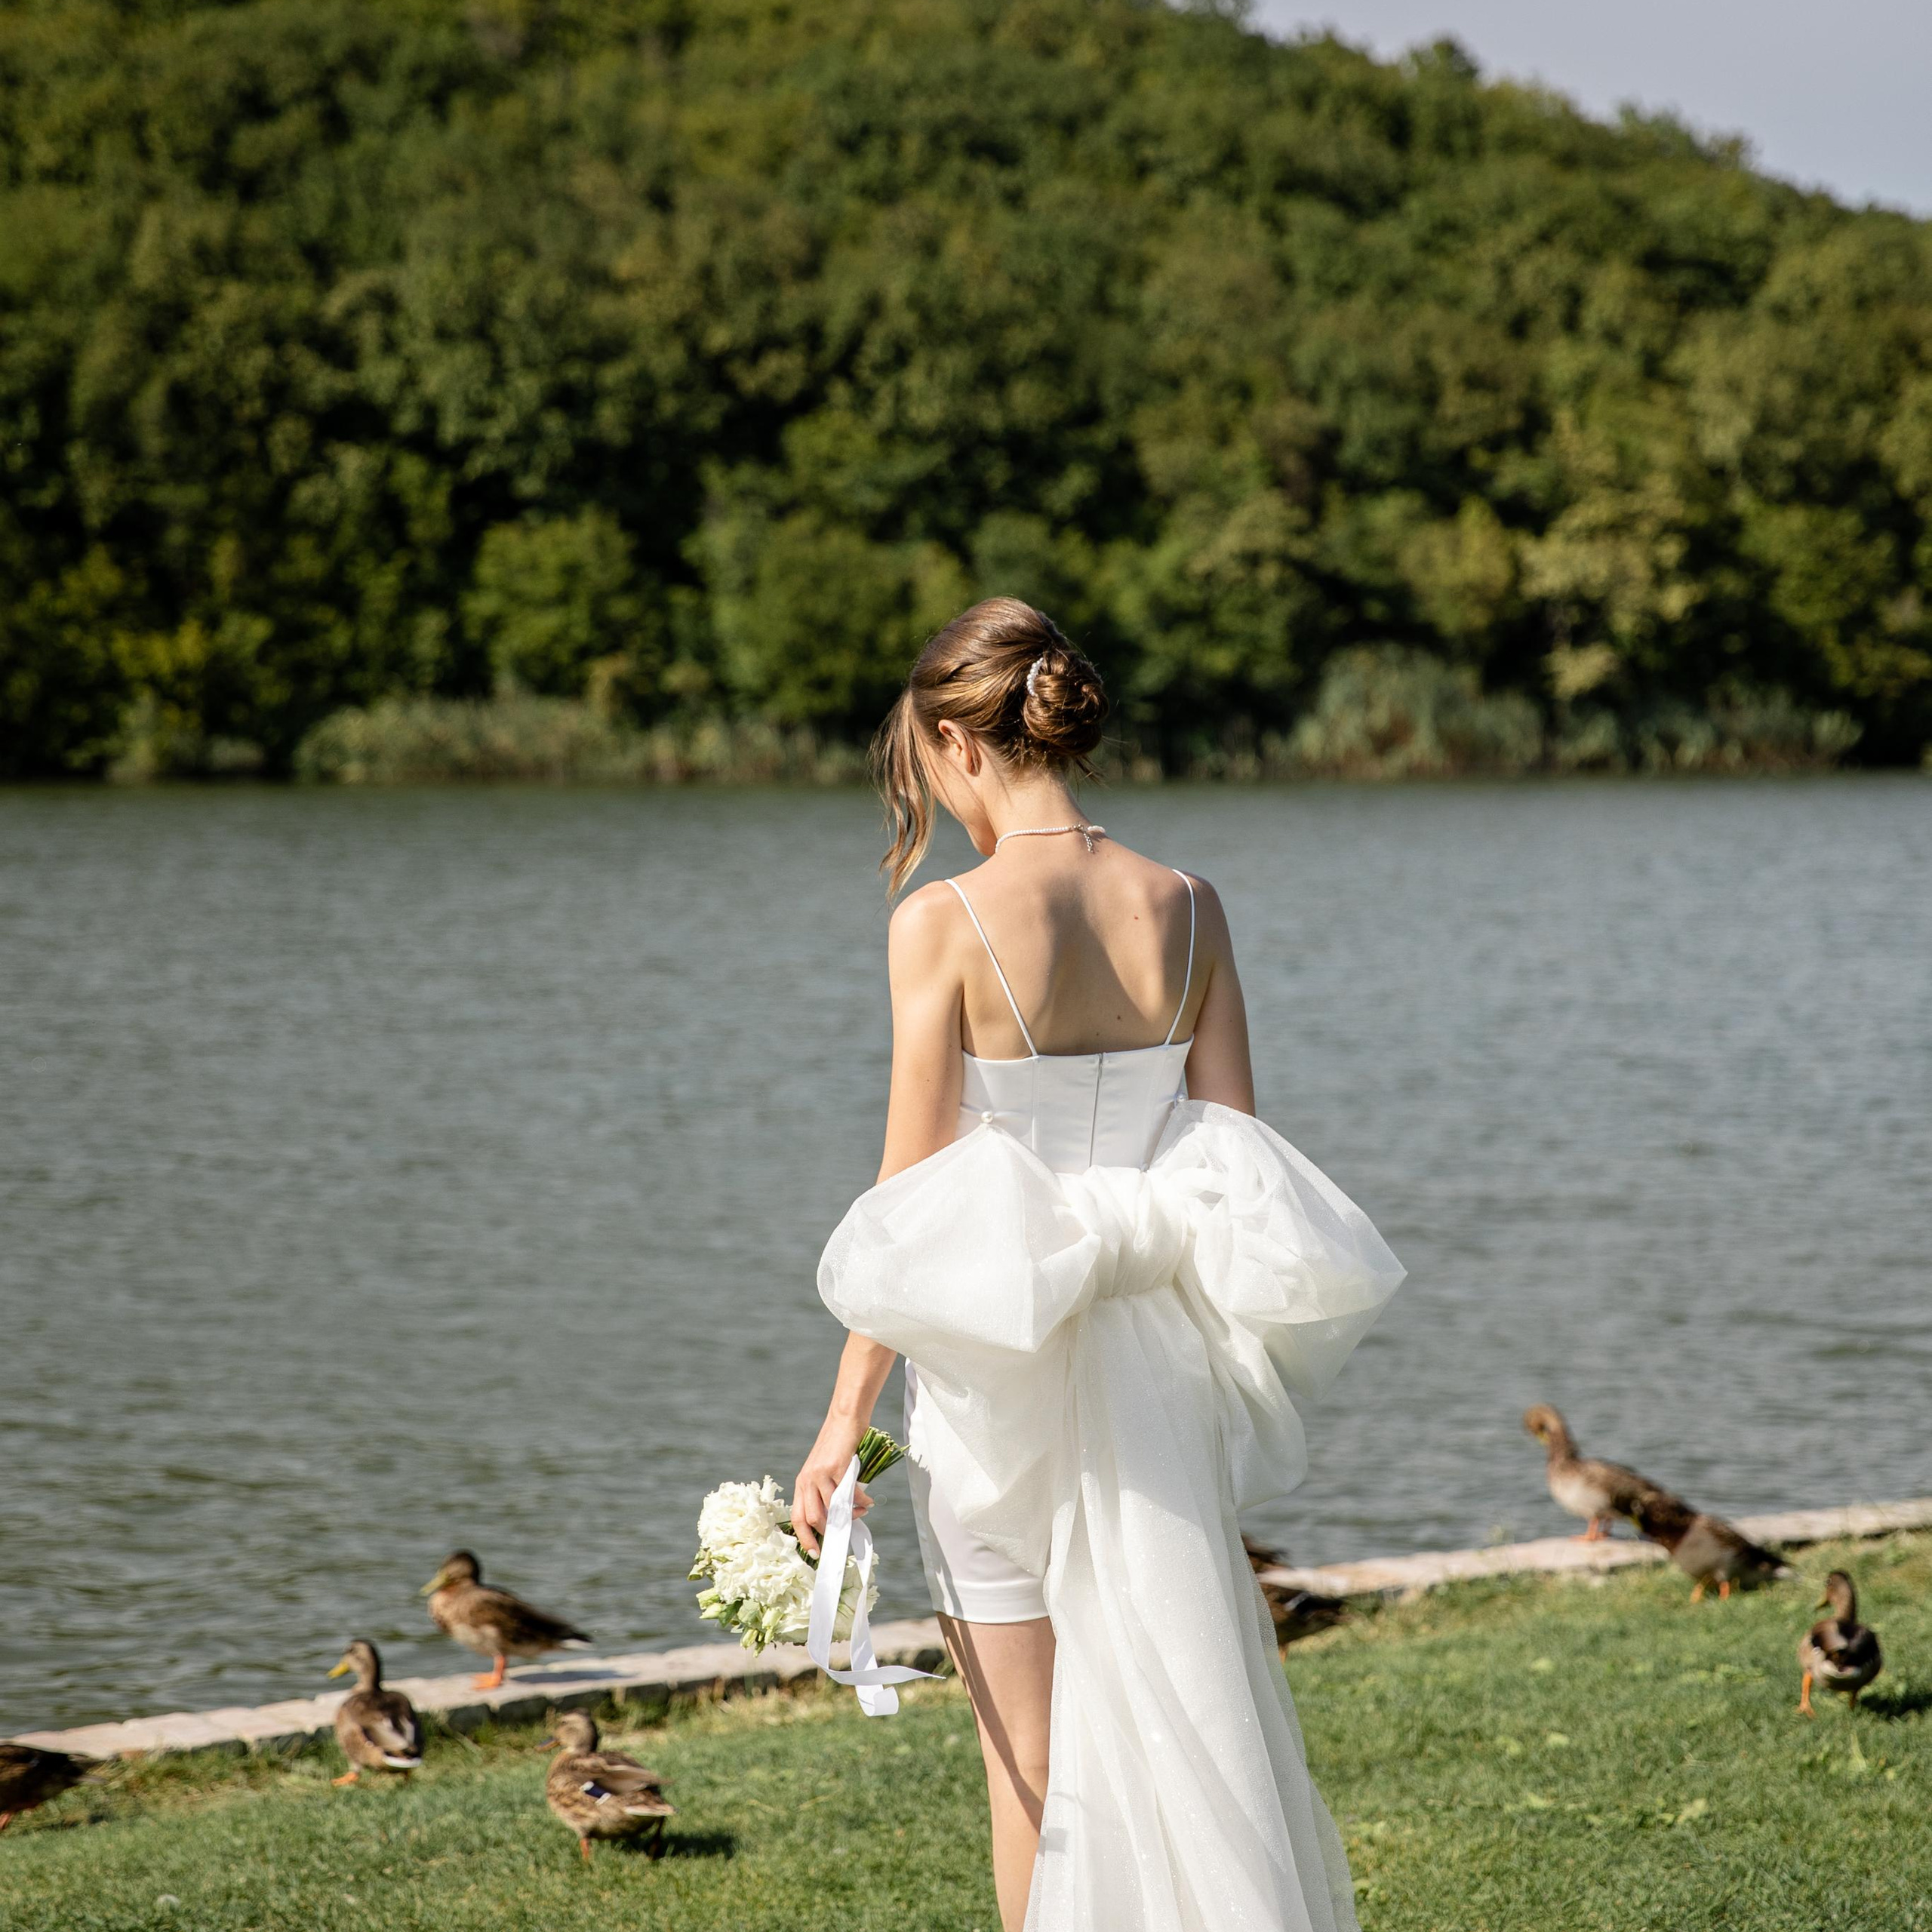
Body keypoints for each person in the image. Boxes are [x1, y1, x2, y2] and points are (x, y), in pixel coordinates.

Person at [795, 598, 1404, 1931]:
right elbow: (1234, 1167)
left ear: (962, 740)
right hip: (1157, 1378)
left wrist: (843, 1421)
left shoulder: (941, 921)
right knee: (1193, 1711)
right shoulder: (1188, 906)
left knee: (1031, 1771)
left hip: (996, 1390)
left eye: (927, 767)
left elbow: (910, 1199)